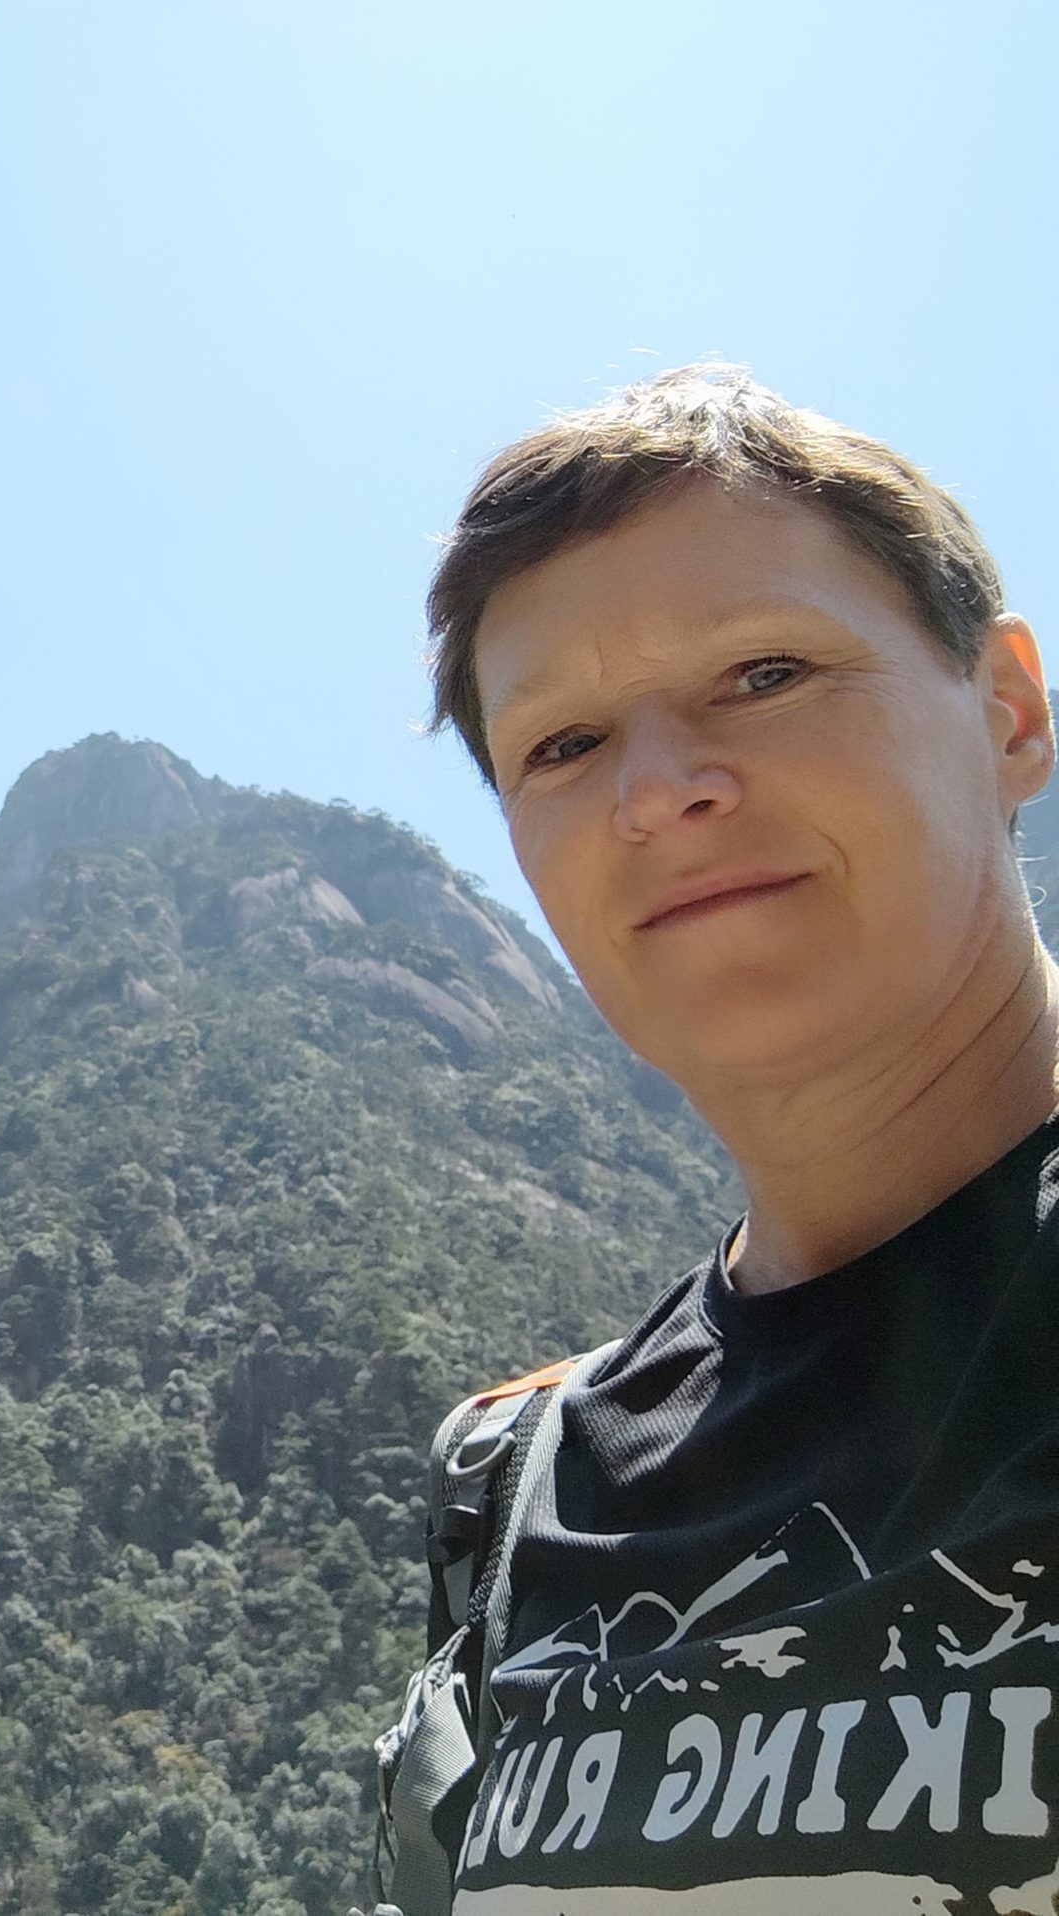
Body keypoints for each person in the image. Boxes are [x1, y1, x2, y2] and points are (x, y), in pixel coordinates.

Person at [374, 364, 1059, 1914]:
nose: (659, 791)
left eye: (764, 673)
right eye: (564, 746)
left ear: (1008, 713)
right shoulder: (509, 1479)